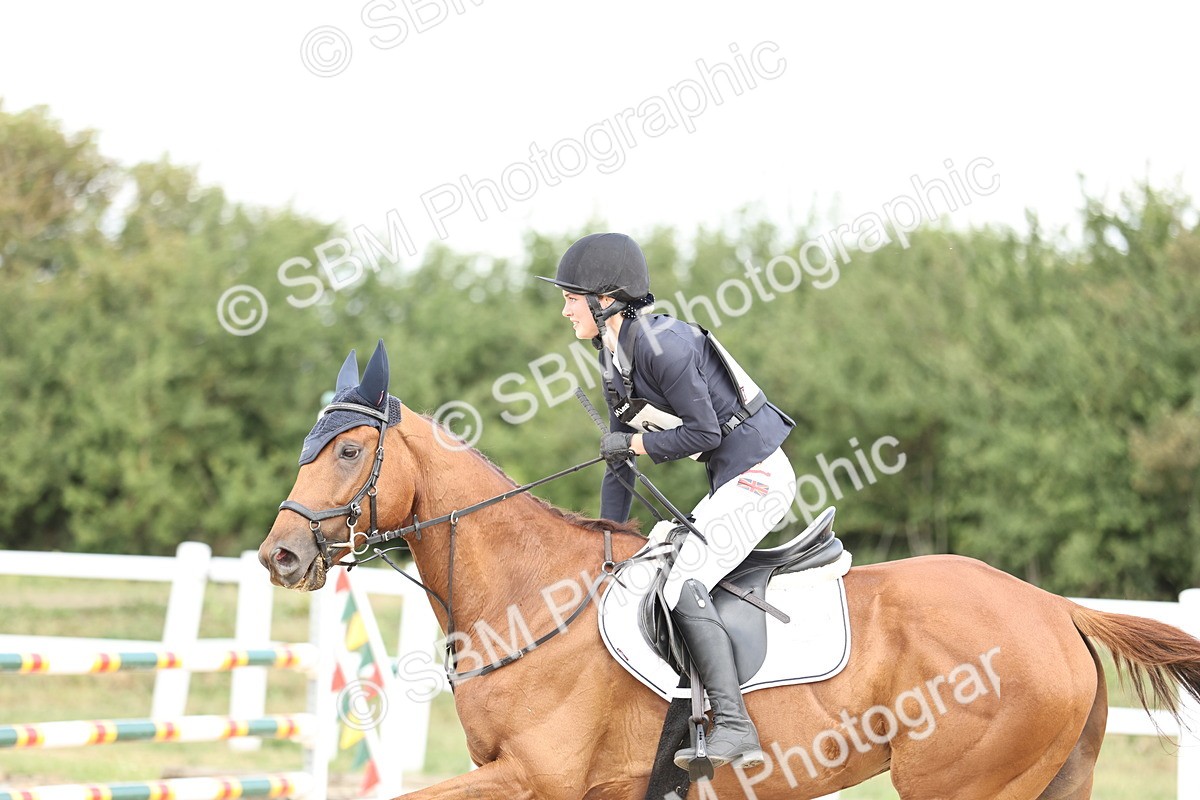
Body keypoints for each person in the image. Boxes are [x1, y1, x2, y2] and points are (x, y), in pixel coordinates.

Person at [538, 232, 798, 771]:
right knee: (651, 559)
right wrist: (606, 539)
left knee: (683, 580)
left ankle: (734, 725)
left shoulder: (667, 347)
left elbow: (703, 434)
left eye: (569, 297)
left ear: (604, 299)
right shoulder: (613, 353)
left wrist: (633, 443)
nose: (563, 309)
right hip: (732, 479)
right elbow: (619, 459)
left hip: (760, 475)